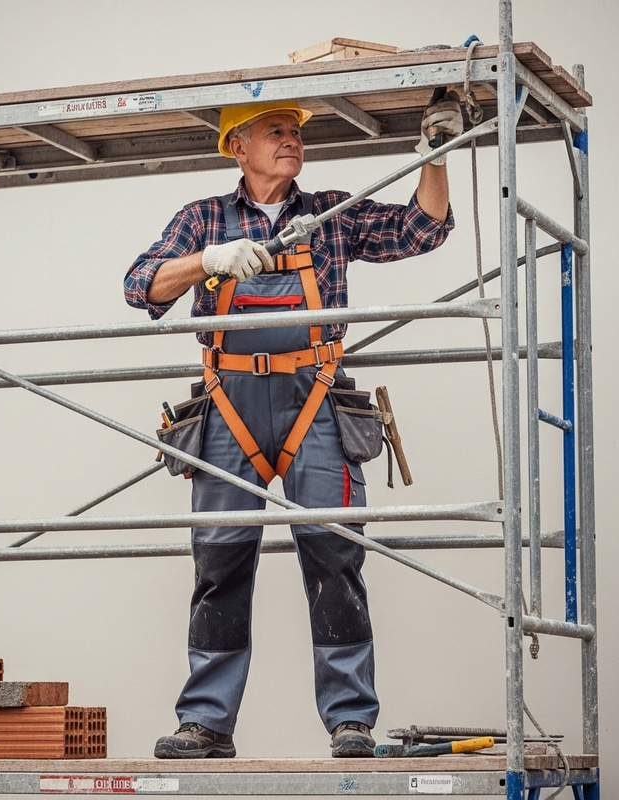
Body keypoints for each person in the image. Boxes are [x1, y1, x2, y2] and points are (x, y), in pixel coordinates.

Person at [124, 94, 462, 758]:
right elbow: (142, 286)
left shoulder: (330, 214)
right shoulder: (202, 219)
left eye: (295, 132)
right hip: (230, 403)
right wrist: (209, 261)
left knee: (335, 555)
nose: (291, 140)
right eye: (274, 131)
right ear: (237, 147)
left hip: (316, 399)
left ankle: (350, 719)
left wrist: (435, 155)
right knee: (219, 560)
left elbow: (421, 229)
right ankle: (206, 722)